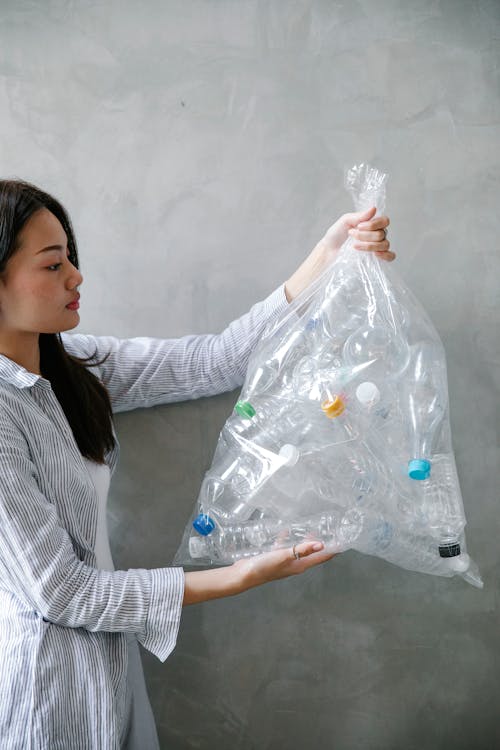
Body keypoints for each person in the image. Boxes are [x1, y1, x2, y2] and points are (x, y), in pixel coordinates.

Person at [0, 178, 392, 749]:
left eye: (72, 260)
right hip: (48, 691)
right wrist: (239, 576)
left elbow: (215, 361)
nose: (76, 277)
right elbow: (60, 592)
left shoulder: (76, 368)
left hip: (111, 665)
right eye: (53, 264)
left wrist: (328, 254)